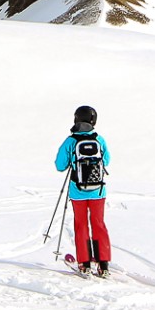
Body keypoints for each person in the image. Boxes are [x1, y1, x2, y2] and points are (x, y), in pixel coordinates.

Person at [57, 106, 112, 276]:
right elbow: (107, 161)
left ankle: (84, 263)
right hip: (98, 191)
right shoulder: (99, 139)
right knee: (99, 224)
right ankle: (103, 264)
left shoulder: (70, 141)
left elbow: (59, 165)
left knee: (81, 225)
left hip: (77, 191)